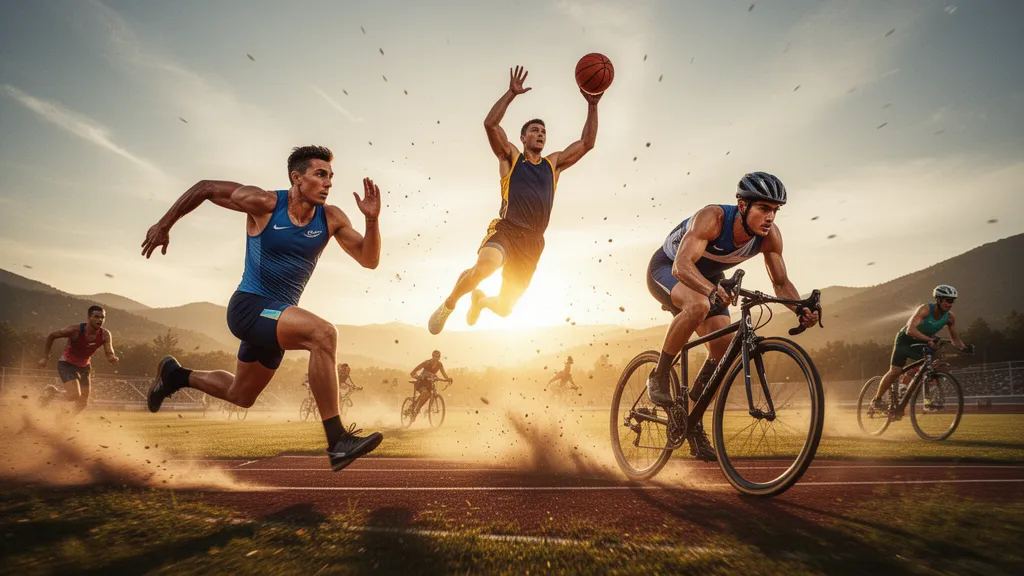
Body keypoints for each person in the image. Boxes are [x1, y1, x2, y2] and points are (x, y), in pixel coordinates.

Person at [140, 145, 383, 472]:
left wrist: (371, 220)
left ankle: (175, 375)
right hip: (249, 308)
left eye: (330, 177)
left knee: (241, 395)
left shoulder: (332, 218)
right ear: (297, 178)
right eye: (320, 175)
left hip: (276, 319)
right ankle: (338, 440)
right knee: (323, 335)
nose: (328, 183)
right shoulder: (266, 203)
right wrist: (164, 224)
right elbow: (205, 188)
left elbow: (369, 260)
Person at [645, 172, 819, 461]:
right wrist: (710, 290)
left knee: (724, 346)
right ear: (742, 206)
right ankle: (659, 375)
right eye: (763, 208)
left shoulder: (770, 237)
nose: (770, 217)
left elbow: (780, 282)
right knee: (698, 305)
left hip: (711, 280)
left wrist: (800, 308)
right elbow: (681, 265)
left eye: (775, 210)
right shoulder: (712, 218)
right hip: (669, 268)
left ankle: (692, 419)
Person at [428, 65, 602, 334]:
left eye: (543, 131)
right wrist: (510, 93)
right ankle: (449, 305)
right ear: (523, 138)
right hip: (507, 229)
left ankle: (481, 302)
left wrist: (592, 104)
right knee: (486, 267)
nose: (540, 133)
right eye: (534, 130)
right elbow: (490, 124)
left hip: (533, 241)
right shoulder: (510, 157)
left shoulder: (553, 164)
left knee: (506, 308)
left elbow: (587, 143)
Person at [871, 285, 969, 409]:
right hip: (905, 341)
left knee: (930, 367)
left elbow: (955, 340)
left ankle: (926, 399)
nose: (950, 304)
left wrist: (964, 348)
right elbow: (910, 330)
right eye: (947, 300)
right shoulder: (925, 309)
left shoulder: (950, 317)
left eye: (952, 301)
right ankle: (877, 399)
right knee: (895, 371)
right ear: (938, 299)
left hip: (923, 343)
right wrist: (929, 339)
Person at [38, 305, 119, 417]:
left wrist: (112, 358)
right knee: (74, 395)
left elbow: (109, 351)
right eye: (96, 316)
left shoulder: (105, 334)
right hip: (67, 364)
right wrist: (45, 357)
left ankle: (64, 422)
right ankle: (52, 393)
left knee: (82, 403)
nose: (100, 320)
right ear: (88, 318)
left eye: (102, 317)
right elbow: (52, 336)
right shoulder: (75, 330)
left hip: (84, 367)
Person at [407, 350, 451, 422]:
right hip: (421, 382)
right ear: (432, 356)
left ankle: (416, 410)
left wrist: (448, 379)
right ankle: (415, 410)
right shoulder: (427, 363)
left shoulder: (439, 364)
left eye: (438, 356)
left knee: (428, 395)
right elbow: (413, 372)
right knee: (425, 393)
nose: (436, 358)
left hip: (429, 383)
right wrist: (418, 377)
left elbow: (443, 373)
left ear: (439, 357)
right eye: (435, 356)